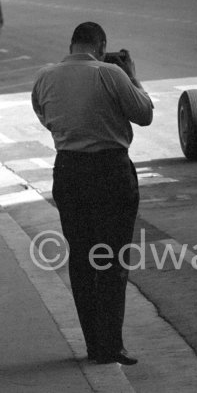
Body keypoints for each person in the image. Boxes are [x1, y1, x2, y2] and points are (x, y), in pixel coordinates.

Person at [31, 22, 153, 366]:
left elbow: (46, 117)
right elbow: (144, 114)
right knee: (112, 261)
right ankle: (110, 345)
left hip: (68, 171)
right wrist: (131, 75)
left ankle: (92, 345)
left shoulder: (44, 76)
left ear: (72, 45)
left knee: (82, 259)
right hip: (110, 171)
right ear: (101, 46)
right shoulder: (111, 74)